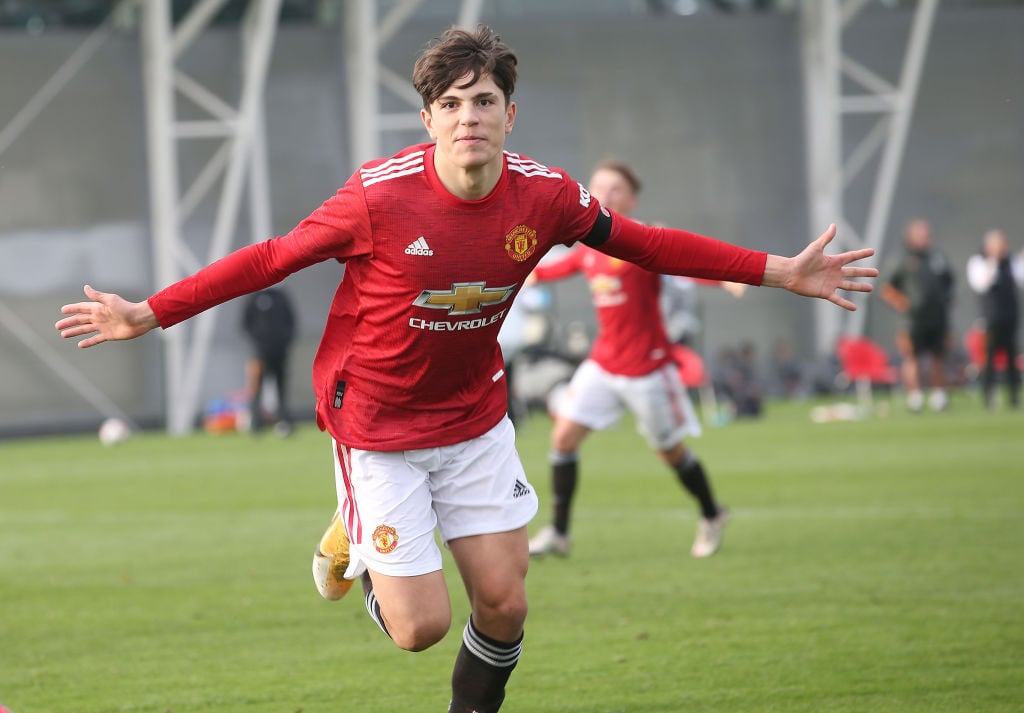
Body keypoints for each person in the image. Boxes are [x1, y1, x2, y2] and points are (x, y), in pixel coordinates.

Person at [55, 26, 877, 713]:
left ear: (510, 115)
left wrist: (780, 269)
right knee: (420, 628)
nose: (468, 117)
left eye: (484, 101)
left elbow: (647, 242)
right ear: (428, 119)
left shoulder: (546, 195)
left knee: (508, 603)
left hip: (474, 418)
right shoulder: (377, 197)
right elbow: (270, 257)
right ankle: (354, 533)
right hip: (375, 423)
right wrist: (145, 313)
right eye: (451, 104)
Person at [527, 160, 738, 560]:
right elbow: (546, 270)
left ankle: (712, 514)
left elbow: (688, 261)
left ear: (631, 199)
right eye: (597, 187)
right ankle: (559, 533)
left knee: (670, 452)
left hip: (648, 369)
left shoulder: (644, 241)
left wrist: (728, 276)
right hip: (603, 364)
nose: (604, 194)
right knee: (563, 438)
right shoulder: (588, 249)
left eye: (615, 189)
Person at [880, 218, 955, 412]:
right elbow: (887, 289)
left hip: (937, 318)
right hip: (912, 320)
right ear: (910, 236)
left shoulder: (937, 257)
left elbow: (949, 283)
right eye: (921, 233)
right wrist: (903, 304)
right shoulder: (902, 259)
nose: (925, 237)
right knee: (912, 357)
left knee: (938, 356)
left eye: (927, 233)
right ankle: (915, 398)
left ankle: (939, 397)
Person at [966, 229, 1023, 409]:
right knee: (988, 358)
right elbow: (982, 284)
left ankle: (1014, 397)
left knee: (1011, 357)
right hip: (990, 319)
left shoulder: (1011, 263)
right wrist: (993, 261)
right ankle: (988, 396)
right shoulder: (979, 262)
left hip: (1010, 317)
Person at [241, 287, 297, 435]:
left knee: (281, 388)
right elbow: (246, 323)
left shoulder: (281, 297)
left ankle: (285, 421)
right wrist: (257, 344)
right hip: (260, 353)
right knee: (257, 388)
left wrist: (285, 342)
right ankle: (256, 424)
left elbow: (291, 321)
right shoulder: (254, 298)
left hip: (279, 352)